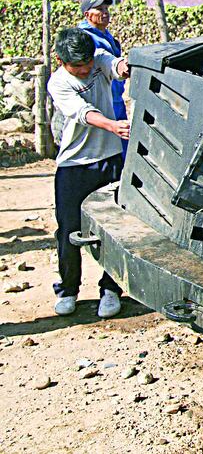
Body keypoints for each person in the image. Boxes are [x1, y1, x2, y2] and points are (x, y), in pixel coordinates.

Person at [47, 28, 131, 318]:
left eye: (87, 65)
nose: (85, 71)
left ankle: (111, 289)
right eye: (77, 67)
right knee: (68, 231)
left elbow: (117, 67)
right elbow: (83, 113)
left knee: (115, 227)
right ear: (60, 60)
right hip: (74, 165)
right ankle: (69, 290)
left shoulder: (98, 60)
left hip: (109, 160)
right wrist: (113, 125)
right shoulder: (58, 83)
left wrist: (127, 65)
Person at [78, 0, 127, 151]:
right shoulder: (84, 38)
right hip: (99, 99)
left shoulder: (106, 35)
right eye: (99, 9)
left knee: (122, 141)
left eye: (106, 9)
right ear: (87, 15)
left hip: (116, 97)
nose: (105, 13)